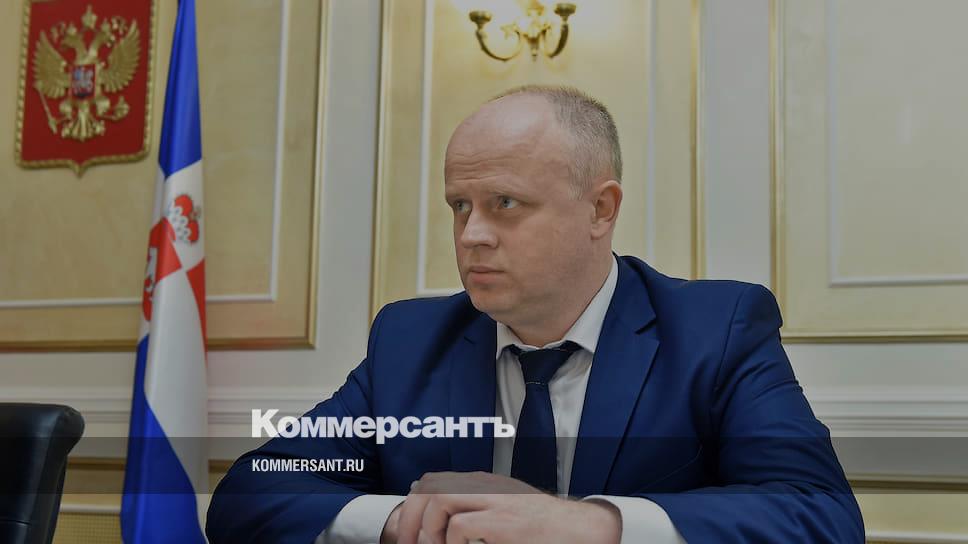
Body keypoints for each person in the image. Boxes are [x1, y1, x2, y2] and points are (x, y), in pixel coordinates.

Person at [207, 85, 864, 543]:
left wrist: (594, 525)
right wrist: (403, 521)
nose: (471, 235)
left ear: (600, 209)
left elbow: (819, 516)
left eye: (505, 204)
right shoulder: (410, 341)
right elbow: (253, 491)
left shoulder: (716, 330)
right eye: (459, 206)